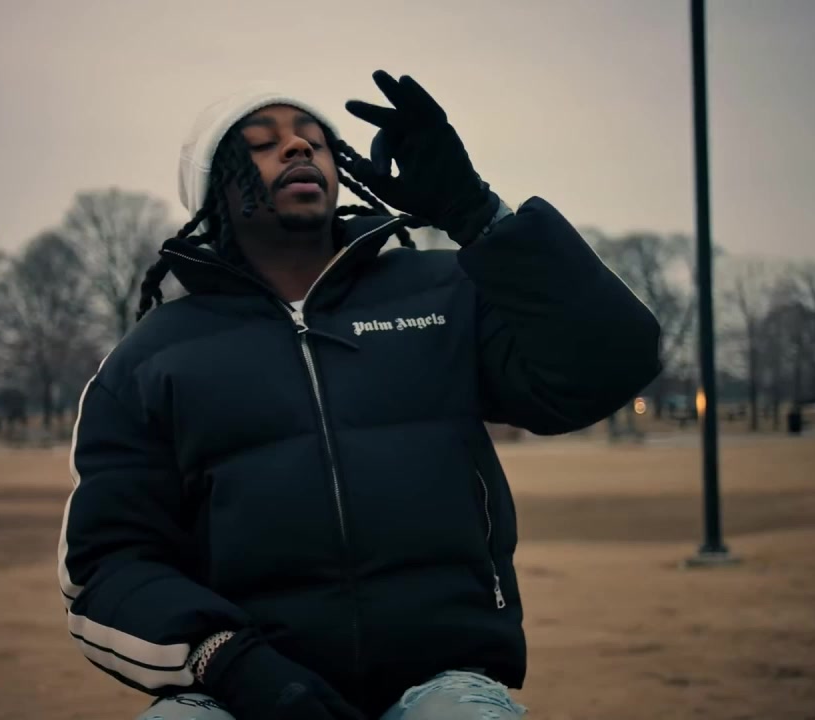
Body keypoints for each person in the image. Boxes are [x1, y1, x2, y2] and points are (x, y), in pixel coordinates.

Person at [58, 70, 662, 720]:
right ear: (212, 192)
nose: (297, 147)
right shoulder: (149, 358)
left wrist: (479, 215)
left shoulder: (444, 291)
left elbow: (613, 362)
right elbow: (105, 567)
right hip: (234, 697)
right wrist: (229, 663)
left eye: (315, 140)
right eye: (261, 142)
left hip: (440, 685)